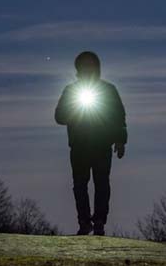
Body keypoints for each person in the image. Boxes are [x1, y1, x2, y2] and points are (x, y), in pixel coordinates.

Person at [54, 51, 127, 236]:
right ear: (79, 69)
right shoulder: (71, 91)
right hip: (79, 146)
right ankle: (84, 221)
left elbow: (119, 117)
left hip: (102, 146)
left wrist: (120, 140)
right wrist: (74, 112)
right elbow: (59, 116)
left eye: (91, 67)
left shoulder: (109, 90)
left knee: (101, 184)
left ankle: (99, 221)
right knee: (80, 184)